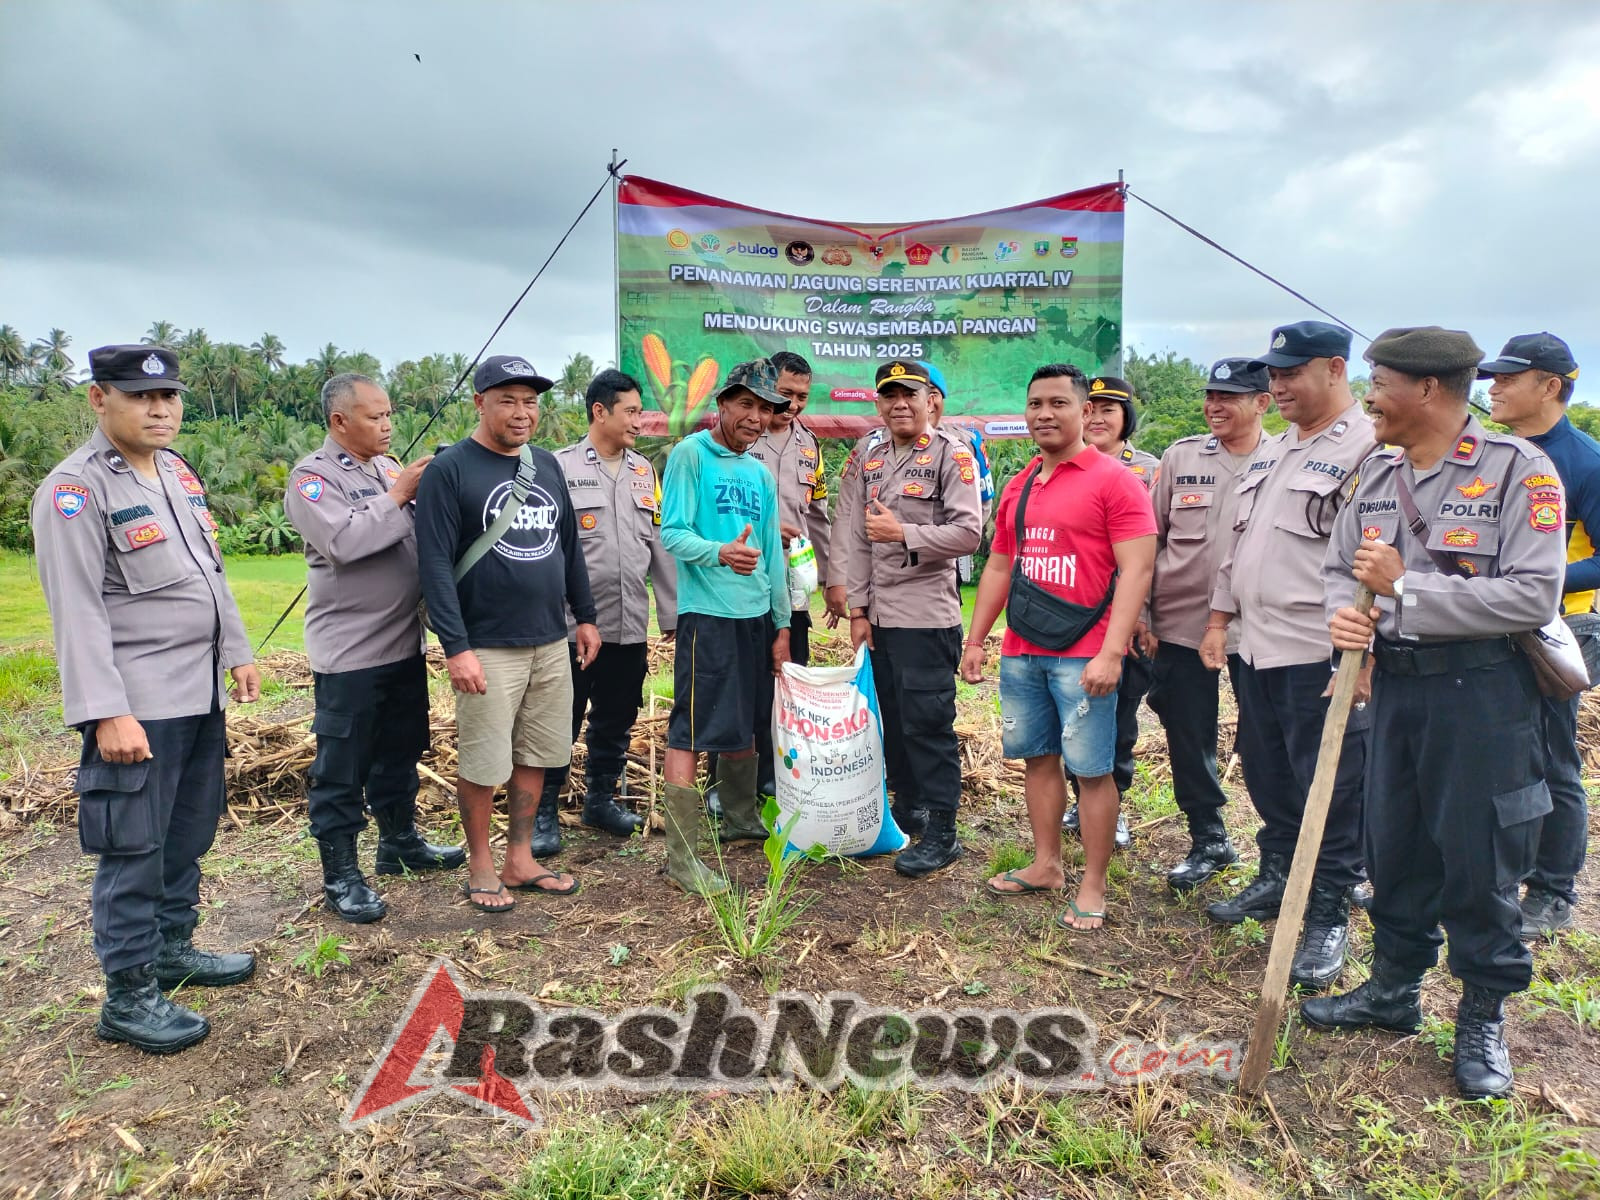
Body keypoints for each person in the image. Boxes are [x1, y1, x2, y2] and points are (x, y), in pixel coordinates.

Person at [1304, 326, 1565, 1099]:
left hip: (1481, 696)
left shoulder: (1518, 471)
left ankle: (1482, 1015)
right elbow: (1338, 566)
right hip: (1398, 690)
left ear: (1426, 389)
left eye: (1379, 384)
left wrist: (1404, 591)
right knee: (1394, 846)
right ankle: (1393, 989)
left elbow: (1533, 595)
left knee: (1481, 858)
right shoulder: (1377, 471)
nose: (1369, 399)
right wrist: (1345, 620)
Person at [32, 344, 262, 1053]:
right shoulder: (76, 491)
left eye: (169, 396)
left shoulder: (176, 473)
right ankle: (128, 995)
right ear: (99, 398)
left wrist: (236, 650)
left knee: (188, 832)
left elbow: (209, 572)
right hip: (138, 704)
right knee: (133, 846)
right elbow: (76, 612)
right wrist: (108, 711)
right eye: (140, 396)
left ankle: (171, 950)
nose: (160, 409)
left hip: (197, 692)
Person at [1200, 321, 1376, 991]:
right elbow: (1238, 548)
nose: (1277, 385)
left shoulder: (1369, 449)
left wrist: (1364, 657)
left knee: (1329, 785)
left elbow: (1375, 565)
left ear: (1334, 369)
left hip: (1316, 650)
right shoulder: (1274, 451)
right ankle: (1277, 875)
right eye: (1273, 374)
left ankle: (1328, 911)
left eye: (1291, 372)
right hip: (1255, 646)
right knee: (1267, 771)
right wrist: (1219, 620)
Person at [964, 364, 1156, 929]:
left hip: (1086, 651)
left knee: (1092, 770)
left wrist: (1112, 652)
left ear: (1084, 411)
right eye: (1035, 404)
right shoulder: (1022, 482)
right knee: (1038, 759)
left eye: (1058, 403)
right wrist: (977, 639)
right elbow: (1000, 565)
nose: (1044, 414)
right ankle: (1046, 864)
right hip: (1024, 648)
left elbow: (1138, 569)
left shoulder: (1116, 481)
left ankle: (1093, 883)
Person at [415, 355, 593, 913]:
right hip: (486, 645)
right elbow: (434, 565)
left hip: (549, 640)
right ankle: (480, 865)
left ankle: (520, 858)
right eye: (508, 400)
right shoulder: (450, 470)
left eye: (531, 402)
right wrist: (457, 648)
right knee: (483, 761)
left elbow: (568, 546)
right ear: (480, 403)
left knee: (536, 754)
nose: (522, 413)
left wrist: (585, 616)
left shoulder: (546, 465)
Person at [285, 373, 464, 924]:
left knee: (400, 751)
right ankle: (341, 874)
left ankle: (399, 843)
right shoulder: (313, 478)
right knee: (343, 769)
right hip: (351, 655)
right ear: (340, 421)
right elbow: (343, 541)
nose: (388, 425)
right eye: (375, 416)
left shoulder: (387, 469)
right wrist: (399, 495)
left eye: (389, 414)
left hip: (403, 643)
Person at [836, 360, 982, 876]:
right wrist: (858, 609)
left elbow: (969, 533)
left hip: (925, 618)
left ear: (929, 401)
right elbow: (857, 537)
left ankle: (943, 830)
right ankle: (908, 806)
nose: (899, 404)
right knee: (892, 721)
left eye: (909, 395)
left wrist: (905, 534)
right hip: (879, 617)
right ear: (878, 404)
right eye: (890, 395)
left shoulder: (951, 454)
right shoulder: (869, 454)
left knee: (928, 724)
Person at [658, 359, 792, 894]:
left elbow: (773, 557)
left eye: (765, 409)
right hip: (707, 618)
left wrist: (781, 625)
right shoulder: (690, 455)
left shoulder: (760, 474)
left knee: (747, 723)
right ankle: (682, 857)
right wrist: (720, 552)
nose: (756, 418)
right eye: (746, 405)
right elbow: (672, 533)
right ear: (722, 404)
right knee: (690, 731)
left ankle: (739, 818)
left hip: (755, 618)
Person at [1479, 333, 1596, 938]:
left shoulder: (1584, 462)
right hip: (1492, 622)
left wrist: (1530, 583)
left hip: (1558, 629)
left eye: (1507, 378)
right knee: (1495, 754)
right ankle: (1495, 871)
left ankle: (1553, 890)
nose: (1493, 388)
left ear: (1550, 386)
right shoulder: (1492, 455)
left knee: (1551, 758)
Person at [534, 369, 678, 855]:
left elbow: (658, 544)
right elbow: (545, 547)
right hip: (572, 625)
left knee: (617, 715)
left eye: (641, 412)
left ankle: (601, 798)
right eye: (631, 411)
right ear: (600, 411)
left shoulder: (643, 471)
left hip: (629, 620)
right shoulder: (558, 467)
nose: (639, 421)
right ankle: (543, 812)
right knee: (561, 717)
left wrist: (671, 614)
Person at [1143, 359, 1271, 889]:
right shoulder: (1181, 456)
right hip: (1181, 622)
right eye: (1211, 396)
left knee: (1266, 739)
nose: (1214, 406)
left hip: (1258, 629)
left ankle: (1282, 850)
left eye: (1229, 397)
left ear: (1262, 403)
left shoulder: (1283, 459)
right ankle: (1208, 837)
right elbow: (1148, 538)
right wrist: (1143, 614)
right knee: (1187, 731)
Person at [715, 350, 841, 810]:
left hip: (793, 589)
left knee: (786, 682)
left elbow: (819, 517)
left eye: (802, 396)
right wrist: (766, 532)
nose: (793, 405)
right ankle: (725, 784)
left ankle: (775, 777)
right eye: (785, 394)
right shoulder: (739, 438)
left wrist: (832, 579)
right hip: (740, 581)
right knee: (736, 686)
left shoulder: (809, 446)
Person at [1062, 375, 1161, 849]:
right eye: (1092, 408)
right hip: (1073, 619)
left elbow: (1155, 553)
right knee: (1074, 715)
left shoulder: (1148, 470)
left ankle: (1113, 804)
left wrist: (1145, 616)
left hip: (1127, 619)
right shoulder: (1061, 466)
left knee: (1119, 719)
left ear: (1126, 418)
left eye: (1109, 410)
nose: (1097, 418)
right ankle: (1079, 802)